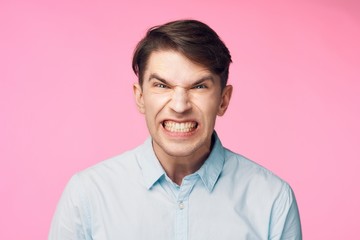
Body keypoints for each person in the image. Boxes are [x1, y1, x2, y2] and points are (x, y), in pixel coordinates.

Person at [49, 19, 302, 239]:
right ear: (140, 97)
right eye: (162, 86)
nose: (180, 106)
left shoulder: (273, 200)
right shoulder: (87, 195)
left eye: (199, 87)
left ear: (223, 100)